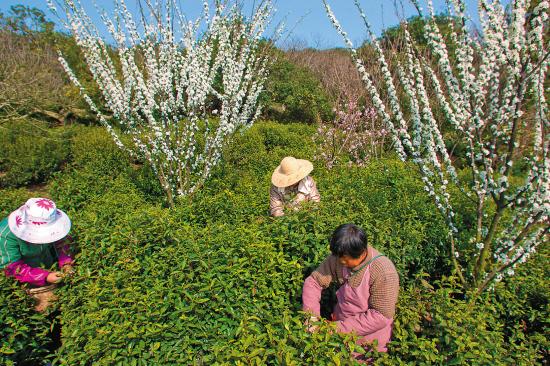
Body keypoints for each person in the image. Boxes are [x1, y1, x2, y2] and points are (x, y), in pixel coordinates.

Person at [302, 224, 399, 356]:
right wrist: (311, 316)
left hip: (368, 344)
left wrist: (336, 329)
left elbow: (381, 316)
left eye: (345, 262)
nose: (341, 263)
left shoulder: (383, 271)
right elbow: (313, 282)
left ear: (362, 253)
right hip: (339, 331)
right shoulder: (340, 256)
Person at [0, 197, 74, 312]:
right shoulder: (6, 235)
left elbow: (62, 242)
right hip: (23, 280)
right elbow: (12, 268)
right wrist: (45, 276)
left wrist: (66, 263)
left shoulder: (52, 221)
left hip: (48, 265)